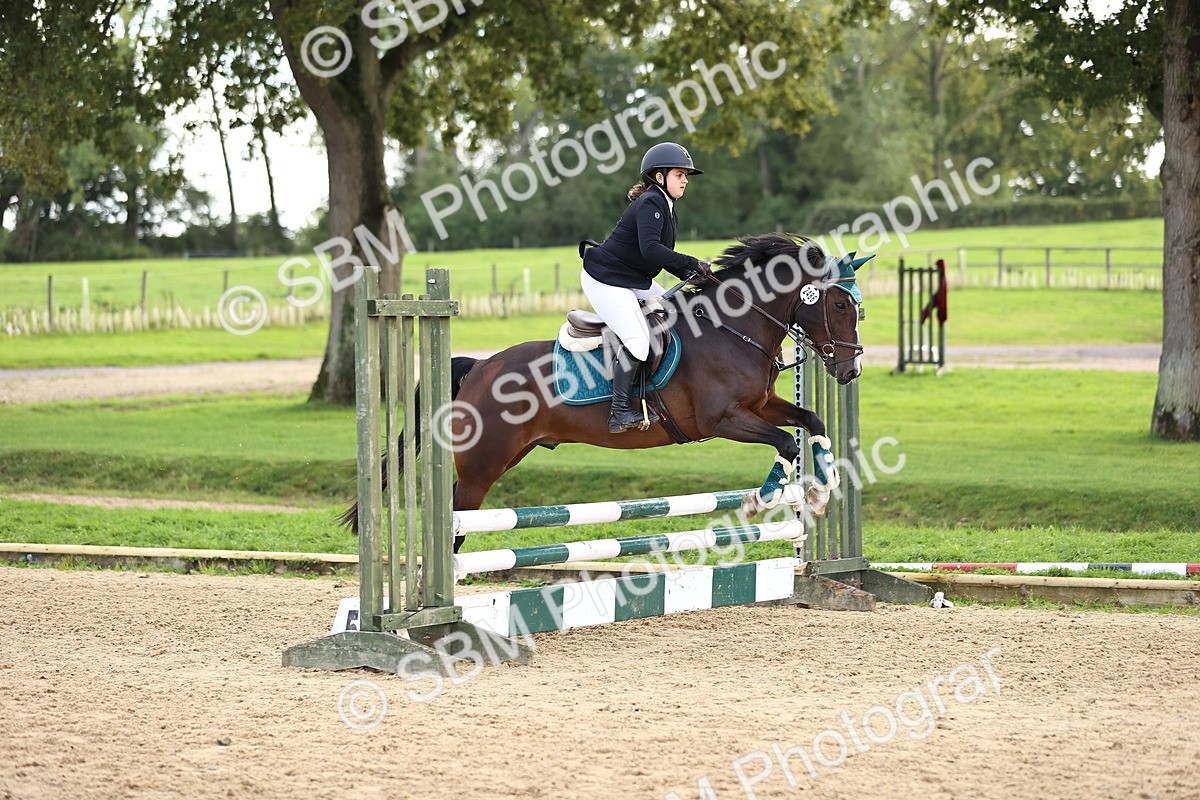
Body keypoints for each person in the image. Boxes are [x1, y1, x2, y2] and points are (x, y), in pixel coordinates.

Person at [580, 142, 711, 434]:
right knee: (638, 340)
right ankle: (619, 412)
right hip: (605, 279)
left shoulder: (666, 207)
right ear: (659, 176)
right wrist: (691, 262)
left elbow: (663, 257)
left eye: (686, 175)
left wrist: (693, 272)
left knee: (674, 312)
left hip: (630, 278)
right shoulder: (651, 202)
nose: (685, 180)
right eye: (680, 174)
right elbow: (651, 250)